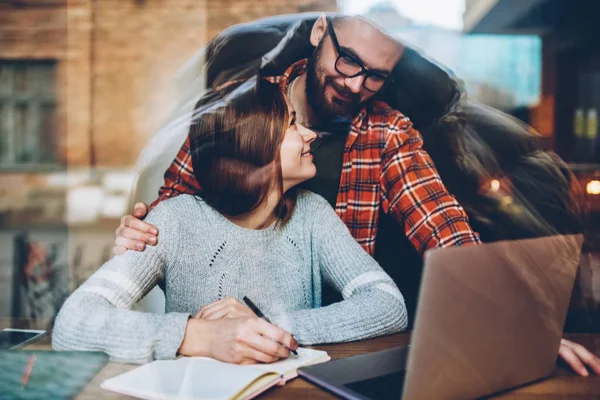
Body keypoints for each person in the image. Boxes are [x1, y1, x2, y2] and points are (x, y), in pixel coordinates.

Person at [112, 14, 600, 375]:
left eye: (375, 75)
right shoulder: (243, 107)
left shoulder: (386, 134)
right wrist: (139, 236)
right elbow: (169, 215)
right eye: (348, 61)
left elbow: (445, 229)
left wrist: (521, 323)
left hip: (335, 350)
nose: (354, 83)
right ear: (320, 31)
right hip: (218, 359)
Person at [52, 80, 407, 364]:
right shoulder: (174, 221)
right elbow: (74, 323)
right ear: (257, 146)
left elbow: (387, 303)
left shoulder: (313, 215)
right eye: (292, 124)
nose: (310, 134)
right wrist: (198, 336)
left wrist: (269, 326)